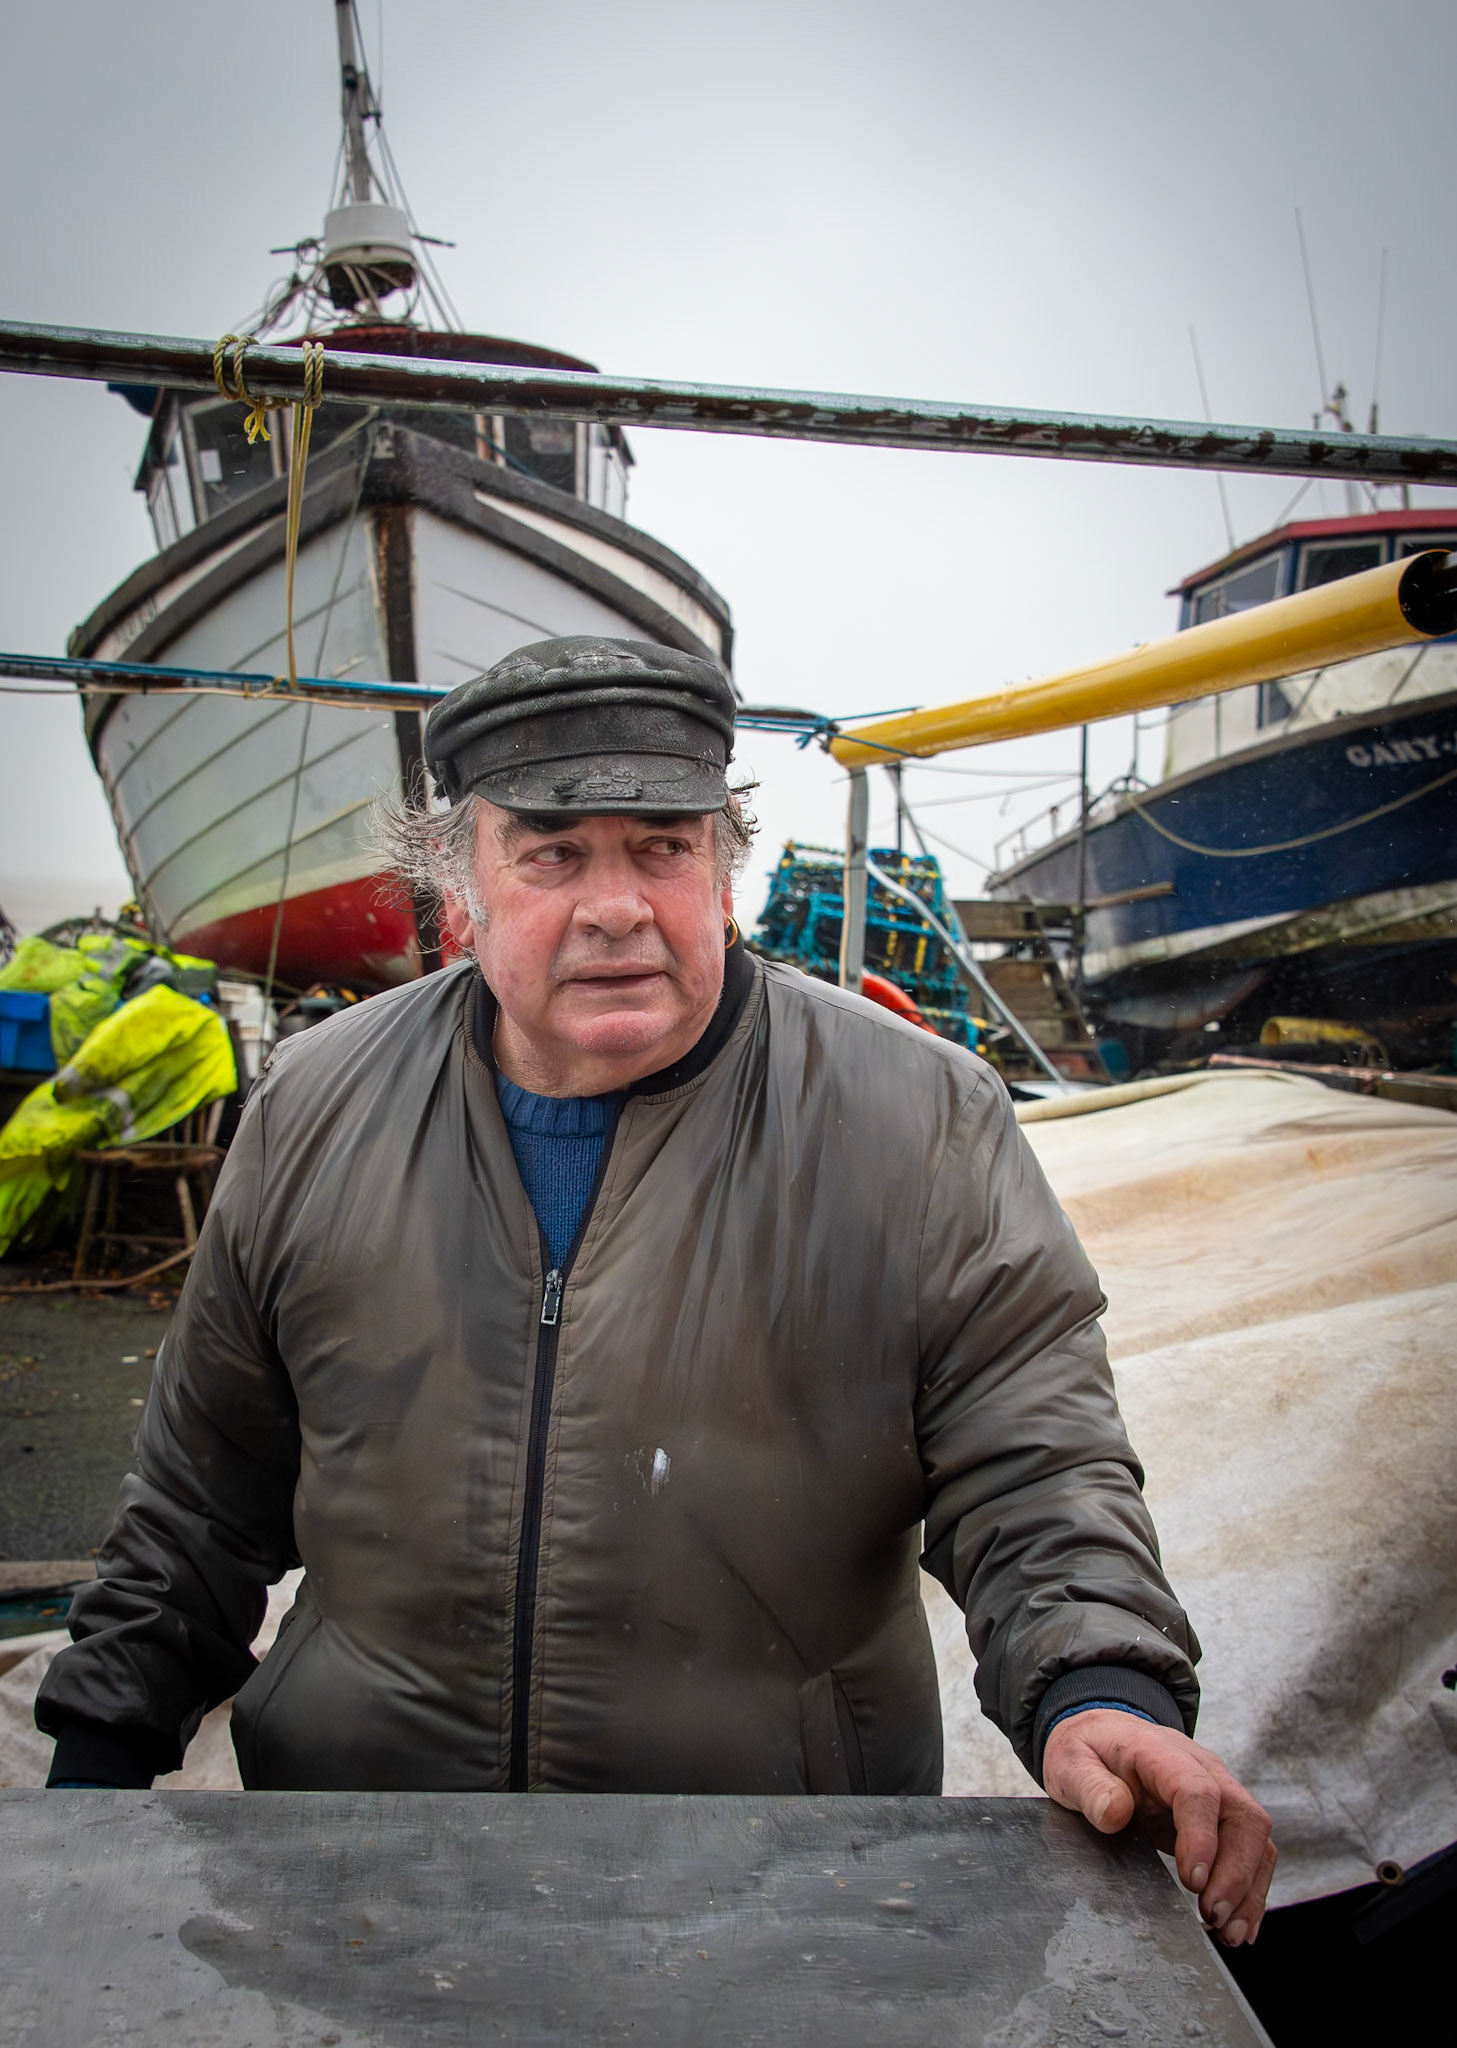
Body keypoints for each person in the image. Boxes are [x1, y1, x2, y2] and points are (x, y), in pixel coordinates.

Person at [38, 635, 1274, 1947]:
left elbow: (1035, 1466)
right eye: (554, 852)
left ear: (723, 865)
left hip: (786, 1893)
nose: (615, 903)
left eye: (662, 847)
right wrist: (91, 1774)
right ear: (460, 880)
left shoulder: (916, 1120)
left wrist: (1099, 1693)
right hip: (358, 1877)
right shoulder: (315, 1105)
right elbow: (197, 1507)